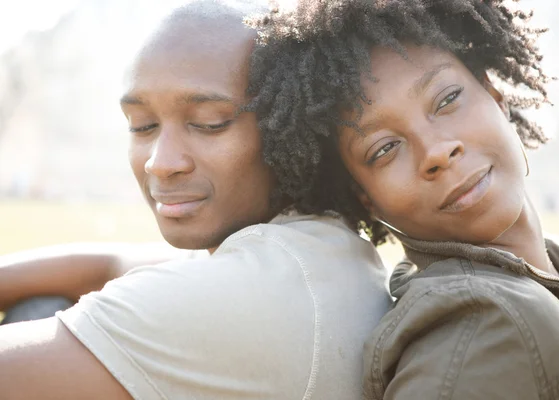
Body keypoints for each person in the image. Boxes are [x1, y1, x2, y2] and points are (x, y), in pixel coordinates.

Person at [0, 2, 391, 399]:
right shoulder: (313, 251)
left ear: (290, 127)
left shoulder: (254, 294)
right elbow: (108, 264)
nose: (160, 162)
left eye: (208, 124)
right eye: (143, 126)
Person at [243, 0, 559, 398]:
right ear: (366, 199)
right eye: (384, 149)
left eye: (446, 100)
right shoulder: (484, 331)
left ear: (495, 95)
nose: (435, 152)